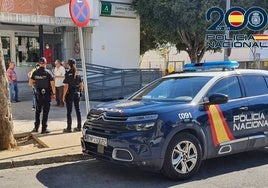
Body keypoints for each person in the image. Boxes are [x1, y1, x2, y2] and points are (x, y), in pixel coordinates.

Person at [29, 57, 56, 134]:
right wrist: (54, 94)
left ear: (39, 63)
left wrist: (36, 83)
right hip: (47, 94)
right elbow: (52, 85)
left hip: (38, 93)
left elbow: (30, 83)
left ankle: (36, 127)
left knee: (38, 111)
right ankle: (44, 129)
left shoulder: (35, 72)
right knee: (45, 112)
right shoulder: (48, 73)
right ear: (45, 63)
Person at [62, 58, 84, 133]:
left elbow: (66, 86)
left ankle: (69, 128)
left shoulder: (67, 73)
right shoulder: (77, 74)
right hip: (77, 93)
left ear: (68, 65)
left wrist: (63, 96)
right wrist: (80, 92)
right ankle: (79, 127)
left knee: (69, 111)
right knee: (78, 110)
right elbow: (81, 85)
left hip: (70, 94)